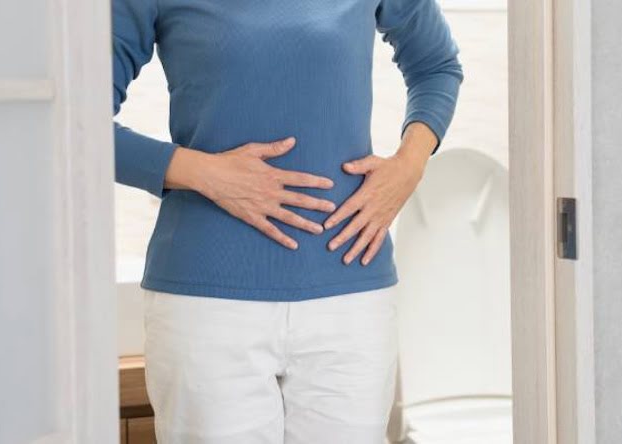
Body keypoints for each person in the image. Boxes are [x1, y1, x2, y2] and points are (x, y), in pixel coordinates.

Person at [113, 0, 462, 442]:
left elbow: (437, 66)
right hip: (206, 305)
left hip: (350, 294)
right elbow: (76, 122)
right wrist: (206, 173)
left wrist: (407, 168)